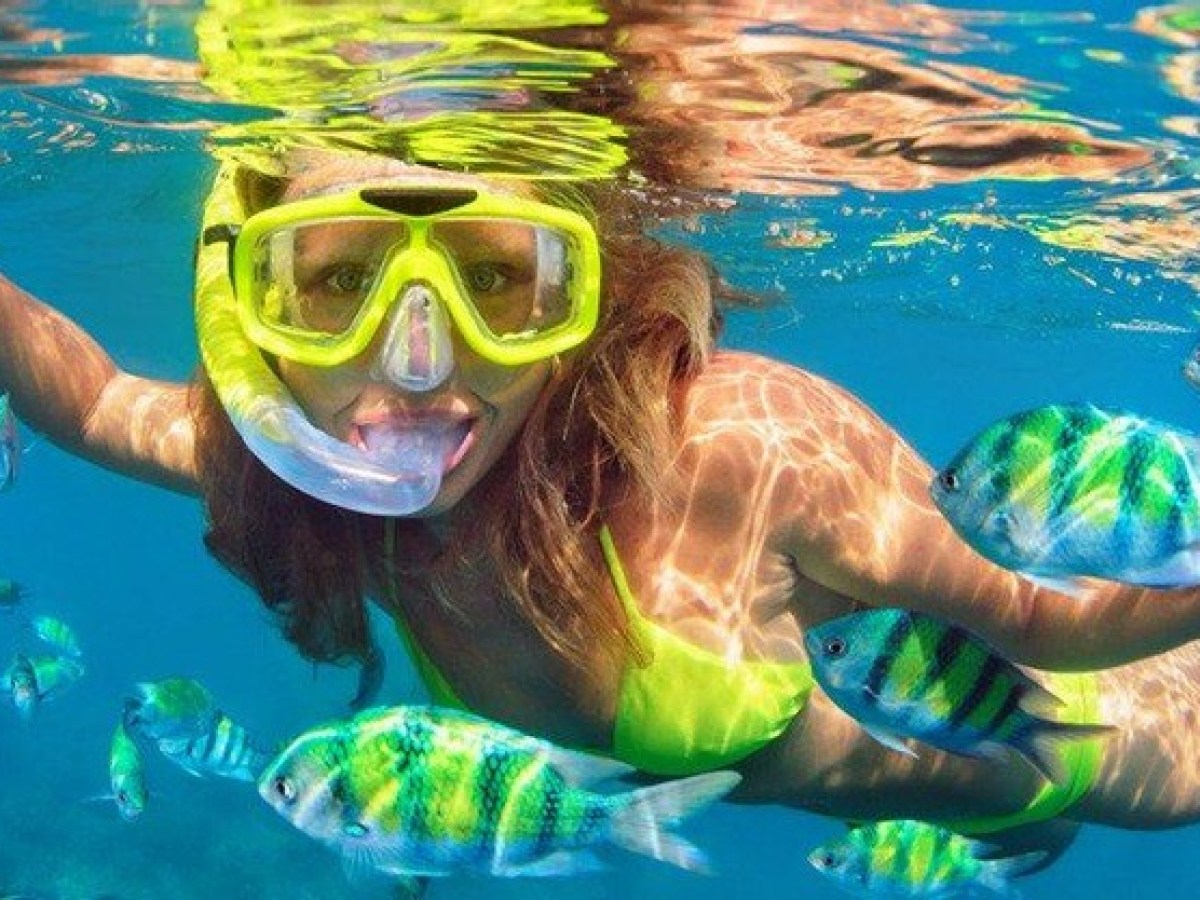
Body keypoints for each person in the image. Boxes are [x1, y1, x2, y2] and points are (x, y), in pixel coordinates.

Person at [3, 0, 1200, 873]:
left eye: (497, 280)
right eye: (333, 285)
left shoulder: (733, 451)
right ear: (237, 300)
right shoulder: (311, 479)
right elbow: (97, 401)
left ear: (590, 294)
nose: (416, 361)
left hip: (1083, 748)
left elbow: (1054, 620)